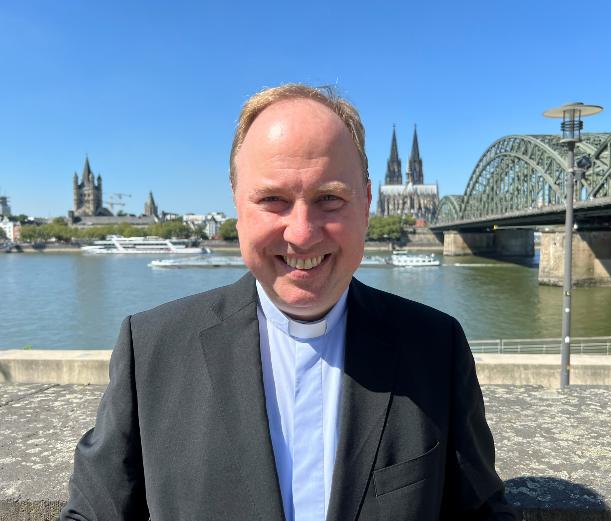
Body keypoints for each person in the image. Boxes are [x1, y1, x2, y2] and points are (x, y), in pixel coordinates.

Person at [61, 84, 517, 521]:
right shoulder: (151, 349)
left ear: (367, 206)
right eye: (273, 199)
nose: (302, 232)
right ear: (238, 209)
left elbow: (478, 511)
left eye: (330, 198)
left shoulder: (436, 346)